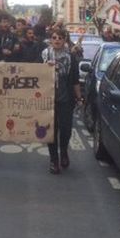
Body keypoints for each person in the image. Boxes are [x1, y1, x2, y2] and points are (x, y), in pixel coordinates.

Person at [41, 28, 82, 175]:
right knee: (51, 130)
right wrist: (46, 69)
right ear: (50, 40)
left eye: (60, 37)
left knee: (65, 130)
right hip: (48, 99)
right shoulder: (44, 55)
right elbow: (34, 74)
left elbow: (75, 80)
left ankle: (64, 150)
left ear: (64, 40)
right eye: (54, 37)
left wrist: (79, 98)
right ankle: (54, 160)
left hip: (66, 100)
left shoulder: (71, 57)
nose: (57, 40)